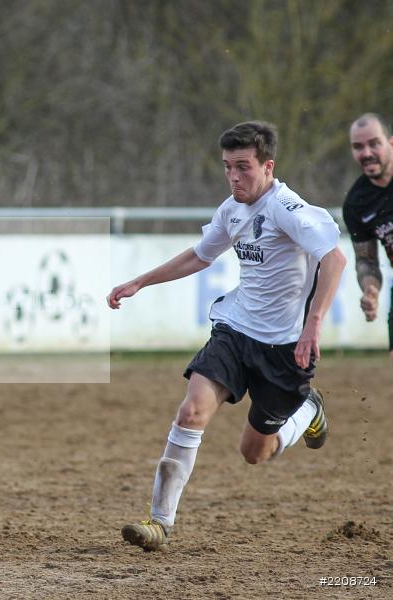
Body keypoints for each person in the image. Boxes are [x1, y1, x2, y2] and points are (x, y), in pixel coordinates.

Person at [107, 121, 346, 551]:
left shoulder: (287, 209)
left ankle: (308, 410)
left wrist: (314, 324)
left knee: (255, 452)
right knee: (190, 412)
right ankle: (159, 522)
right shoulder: (232, 209)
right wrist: (140, 281)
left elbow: (334, 259)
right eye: (227, 167)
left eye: (243, 167)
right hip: (234, 332)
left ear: (268, 166)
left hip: (284, 349)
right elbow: (199, 256)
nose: (234, 177)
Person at [342, 113, 393, 362]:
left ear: (391, 142)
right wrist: (371, 290)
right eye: (358, 147)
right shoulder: (356, 203)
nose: (367, 153)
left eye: (374, 143)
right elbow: (367, 260)